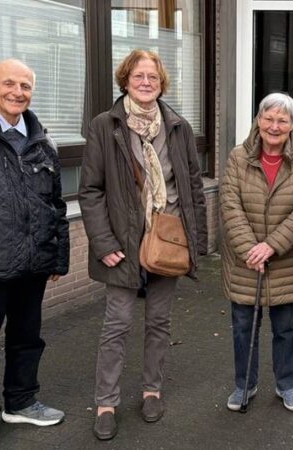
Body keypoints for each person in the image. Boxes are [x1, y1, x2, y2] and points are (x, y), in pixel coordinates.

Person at [79, 49, 207, 441]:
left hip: (167, 240)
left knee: (159, 321)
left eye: (152, 76)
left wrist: (194, 243)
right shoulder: (106, 125)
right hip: (121, 242)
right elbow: (90, 190)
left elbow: (193, 189)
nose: (146, 82)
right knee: (116, 324)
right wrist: (103, 243)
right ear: (126, 80)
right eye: (139, 76)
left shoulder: (177, 126)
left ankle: (152, 390)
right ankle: (106, 401)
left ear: (161, 82)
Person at [219, 93, 293, 413]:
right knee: (243, 328)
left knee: (286, 329)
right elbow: (229, 204)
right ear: (258, 120)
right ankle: (244, 384)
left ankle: (287, 384)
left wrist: (271, 245)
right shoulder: (238, 156)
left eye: (283, 120)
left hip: (287, 261)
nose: (275, 126)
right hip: (245, 262)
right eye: (269, 118)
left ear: (292, 125)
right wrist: (251, 249)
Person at [0, 58, 69, 447]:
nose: (17, 92)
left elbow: (56, 206)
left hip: (33, 264)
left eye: (25, 86)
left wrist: (57, 257)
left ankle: (20, 403)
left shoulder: (43, 141)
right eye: (9, 83)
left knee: (26, 339)